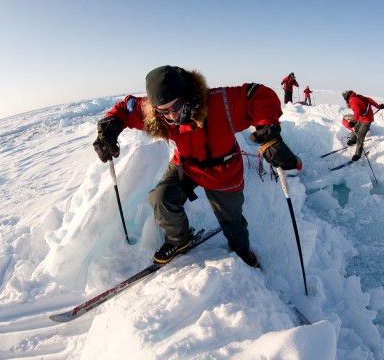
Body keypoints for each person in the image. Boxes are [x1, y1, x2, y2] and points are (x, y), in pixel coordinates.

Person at [93, 65, 302, 267]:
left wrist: (268, 133)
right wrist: (110, 126)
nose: (172, 116)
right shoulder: (155, 113)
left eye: (176, 106)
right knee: (161, 198)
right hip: (186, 166)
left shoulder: (220, 103)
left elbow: (257, 94)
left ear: (188, 95)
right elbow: (126, 108)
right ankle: (178, 240)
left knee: (232, 220)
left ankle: (241, 249)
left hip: (224, 170)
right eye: (163, 112)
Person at [342, 90, 384, 161]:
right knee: (355, 128)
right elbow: (369, 100)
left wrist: (353, 121)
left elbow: (357, 110)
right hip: (362, 117)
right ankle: (353, 140)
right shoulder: (357, 96)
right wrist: (378, 106)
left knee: (360, 136)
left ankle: (357, 155)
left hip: (367, 119)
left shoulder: (351, 100)